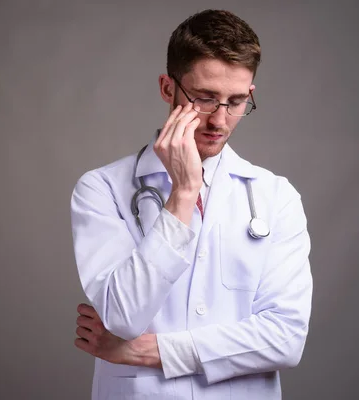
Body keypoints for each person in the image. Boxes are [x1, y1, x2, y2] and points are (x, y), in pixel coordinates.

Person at [69, 9, 312, 400]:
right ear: (168, 89)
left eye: (236, 101)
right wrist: (183, 193)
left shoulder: (276, 196)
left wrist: (154, 352)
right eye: (205, 98)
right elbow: (123, 317)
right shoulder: (102, 189)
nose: (220, 119)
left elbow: (286, 338)